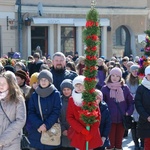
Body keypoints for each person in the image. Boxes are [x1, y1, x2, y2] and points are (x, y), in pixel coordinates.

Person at [27, 70, 62, 150]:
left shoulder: (56, 94)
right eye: (41, 80)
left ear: (50, 81)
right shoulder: (34, 95)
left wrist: (46, 125)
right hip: (37, 130)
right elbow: (31, 112)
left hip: (51, 130)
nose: (43, 82)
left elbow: (56, 111)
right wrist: (39, 125)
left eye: (45, 79)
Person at [101, 67, 134, 150]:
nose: (115, 78)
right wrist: (105, 114)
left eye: (117, 76)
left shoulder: (125, 88)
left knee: (119, 143)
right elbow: (101, 104)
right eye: (113, 75)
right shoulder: (105, 89)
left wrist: (128, 112)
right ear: (110, 76)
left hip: (122, 119)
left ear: (120, 77)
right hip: (109, 120)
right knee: (110, 144)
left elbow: (131, 102)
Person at [66, 75, 103, 150]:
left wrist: (91, 133)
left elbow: (97, 117)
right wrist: (81, 130)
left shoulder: (91, 98)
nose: (79, 88)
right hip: (78, 132)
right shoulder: (72, 99)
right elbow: (70, 117)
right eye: (77, 85)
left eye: (81, 85)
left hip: (90, 132)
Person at [0, 71, 26, 149]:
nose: (1, 85)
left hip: (12, 142)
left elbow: (20, 120)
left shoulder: (18, 99)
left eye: (4, 83)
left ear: (10, 84)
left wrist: (2, 140)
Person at [126, 64, 144, 150]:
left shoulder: (142, 79)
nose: (134, 72)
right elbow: (127, 92)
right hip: (133, 105)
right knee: (134, 126)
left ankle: (142, 142)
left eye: (136, 71)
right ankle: (136, 143)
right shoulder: (128, 81)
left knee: (141, 125)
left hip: (141, 105)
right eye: (133, 71)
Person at [135, 65, 150, 150]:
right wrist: (146, 116)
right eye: (149, 74)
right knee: (147, 143)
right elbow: (138, 104)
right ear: (146, 75)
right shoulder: (141, 88)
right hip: (145, 121)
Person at [60, 79, 75, 150]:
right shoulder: (59, 100)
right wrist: (63, 129)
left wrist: (71, 130)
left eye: (68, 89)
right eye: (64, 90)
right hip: (61, 132)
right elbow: (58, 117)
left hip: (73, 131)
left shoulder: (75, 100)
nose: (66, 92)